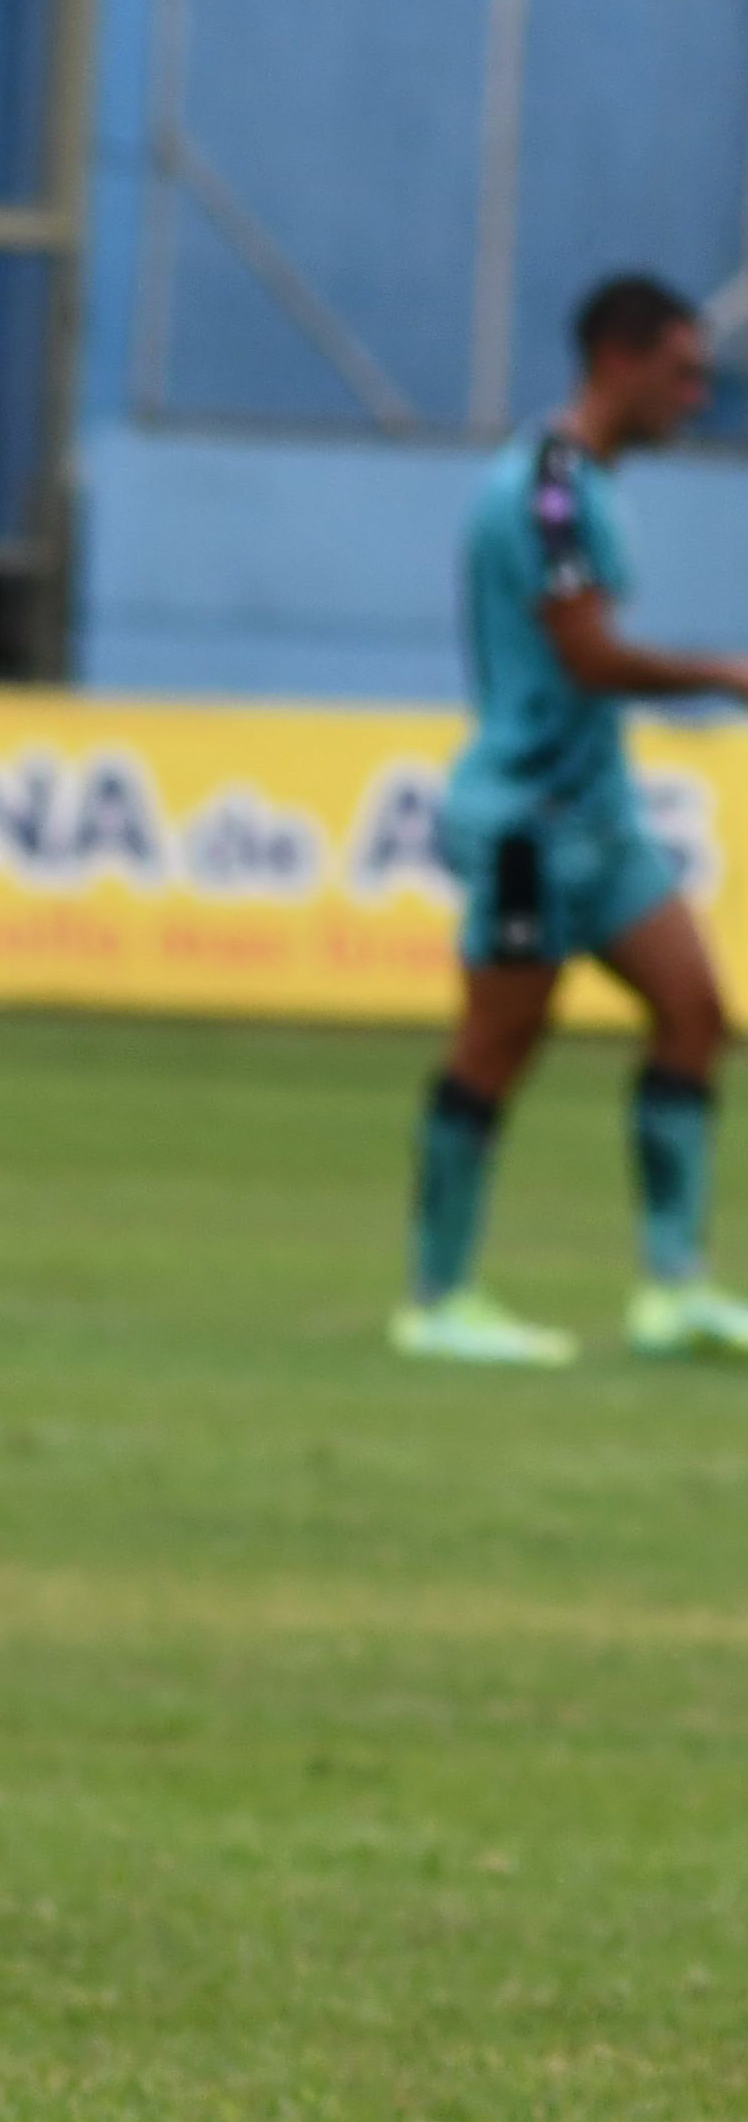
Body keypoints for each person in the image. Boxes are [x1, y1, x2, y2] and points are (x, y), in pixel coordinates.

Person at [399, 271, 748, 1365]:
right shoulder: (545, 489)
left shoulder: (588, 484)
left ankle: (671, 1287)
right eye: (681, 372)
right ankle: (435, 1295)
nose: (693, 396)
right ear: (618, 359)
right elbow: (585, 655)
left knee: (694, 1012)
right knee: (498, 1043)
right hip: (524, 820)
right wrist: (721, 674)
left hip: (596, 818)